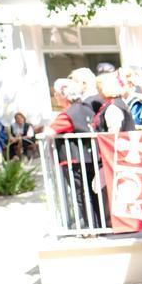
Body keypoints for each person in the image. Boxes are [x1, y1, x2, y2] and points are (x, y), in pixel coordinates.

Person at [47, 78, 102, 228]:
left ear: (64, 95)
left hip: (75, 161)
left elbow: (50, 131)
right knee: (92, 193)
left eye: (57, 93)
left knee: (82, 194)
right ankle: (97, 224)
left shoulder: (67, 114)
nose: (55, 97)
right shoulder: (87, 108)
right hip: (92, 158)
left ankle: (92, 227)